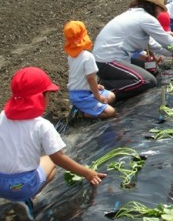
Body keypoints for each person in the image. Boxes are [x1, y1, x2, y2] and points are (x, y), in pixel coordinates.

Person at [0, 67, 106, 219]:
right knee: (50, 162)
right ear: (40, 97)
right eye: (48, 94)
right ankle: (27, 200)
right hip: (24, 186)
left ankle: (15, 200)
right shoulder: (41, 125)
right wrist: (87, 173)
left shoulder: (3, 116)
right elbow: (58, 158)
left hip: (1, 184)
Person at [93, 0, 173, 100]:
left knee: (152, 68)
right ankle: (99, 93)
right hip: (107, 61)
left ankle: (107, 81)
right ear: (154, 6)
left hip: (110, 59)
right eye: (160, 9)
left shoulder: (136, 15)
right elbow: (166, 40)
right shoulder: (146, 19)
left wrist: (172, 54)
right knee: (147, 81)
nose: (160, 13)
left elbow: (153, 44)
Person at [63, 21, 116, 119]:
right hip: (81, 96)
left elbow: (81, 76)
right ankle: (81, 114)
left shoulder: (71, 56)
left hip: (82, 90)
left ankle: (88, 107)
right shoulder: (88, 57)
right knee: (110, 112)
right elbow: (90, 79)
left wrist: (96, 86)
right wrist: (98, 97)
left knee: (111, 96)